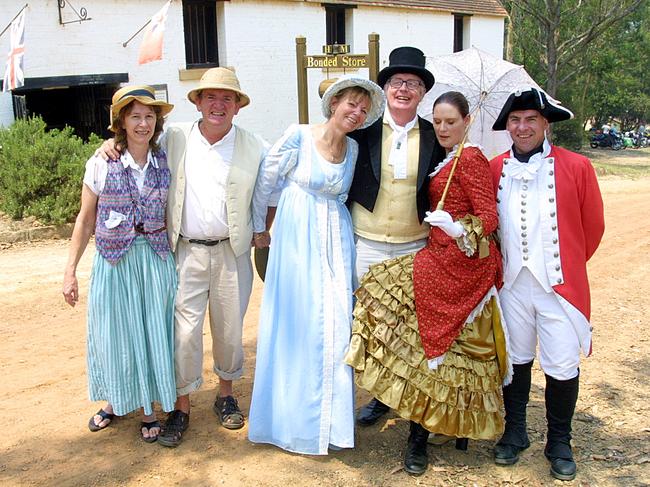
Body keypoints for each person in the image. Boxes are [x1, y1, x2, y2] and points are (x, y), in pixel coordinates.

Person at [99, 68, 271, 447]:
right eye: (210, 96)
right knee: (183, 333)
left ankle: (225, 394)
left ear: (238, 107)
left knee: (229, 330)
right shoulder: (174, 137)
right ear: (197, 102)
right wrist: (106, 146)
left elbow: (272, 189)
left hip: (232, 251)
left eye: (228, 98)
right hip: (184, 251)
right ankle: (182, 404)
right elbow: (132, 140)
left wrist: (263, 228)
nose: (218, 104)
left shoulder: (255, 145)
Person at [345, 91, 510, 475]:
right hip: (434, 259)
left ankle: (418, 437)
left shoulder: (470, 159)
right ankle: (390, 400)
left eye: (451, 122)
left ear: (467, 121)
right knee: (396, 323)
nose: (442, 128)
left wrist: (458, 227)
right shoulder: (447, 157)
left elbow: (488, 217)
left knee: (428, 351)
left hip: (458, 266)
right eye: (437, 122)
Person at [247, 76, 386, 455]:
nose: (355, 113)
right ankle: (290, 422)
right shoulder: (299, 135)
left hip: (335, 240)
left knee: (338, 323)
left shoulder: (355, 149)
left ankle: (331, 425)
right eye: (350, 104)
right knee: (297, 322)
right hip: (296, 235)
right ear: (334, 102)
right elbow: (266, 182)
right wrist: (261, 229)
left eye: (363, 108)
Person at [489, 87, 604, 481]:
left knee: (561, 362)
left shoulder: (577, 167)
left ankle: (559, 441)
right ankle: (515, 431)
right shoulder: (494, 167)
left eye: (530, 120)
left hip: (558, 284)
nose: (522, 127)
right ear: (507, 126)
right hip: (512, 285)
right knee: (515, 360)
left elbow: (592, 228)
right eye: (515, 120)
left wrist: (563, 266)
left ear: (545, 124)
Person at [62, 85, 177, 443]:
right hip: (115, 261)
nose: (143, 123)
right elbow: (84, 220)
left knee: (152, 333)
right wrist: (70, 271)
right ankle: (115, 400)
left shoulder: (165, 157)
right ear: (121, 122)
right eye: (135, 116)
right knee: (114, 333)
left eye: (149, 116)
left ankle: (147, 407)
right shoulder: (101, 161)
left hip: (155, 259)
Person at [347, 46, 446, 427]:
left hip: (414, 246)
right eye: (397, 82)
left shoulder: (437, 138)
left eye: (414, 84)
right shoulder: (363, 134)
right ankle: (378, 395)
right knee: (372, 324)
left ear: (423, 93)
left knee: (407, 328)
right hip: (367, 243)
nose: (404, 89)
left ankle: (401, 398)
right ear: (385, 88)